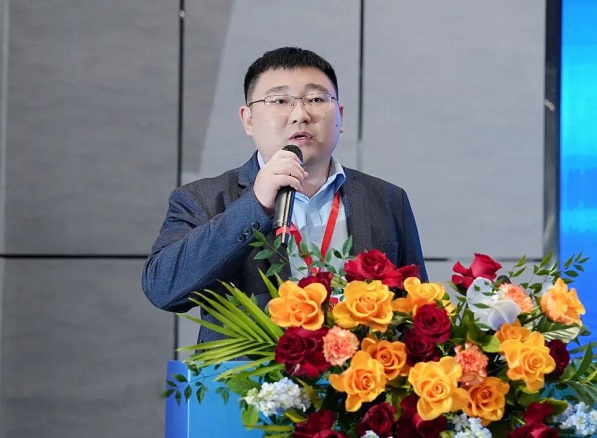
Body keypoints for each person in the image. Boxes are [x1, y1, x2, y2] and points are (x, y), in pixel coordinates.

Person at [142, 47, 427, 343]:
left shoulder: (387, 199)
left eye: (316, 99)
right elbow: (163, 289)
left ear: (340, 116)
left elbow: (415, 311)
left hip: (358, 371)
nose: (300, 115)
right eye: (279, 101)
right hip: (249, 373)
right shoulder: (203, 198)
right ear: (248, 120)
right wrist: (255, 205)